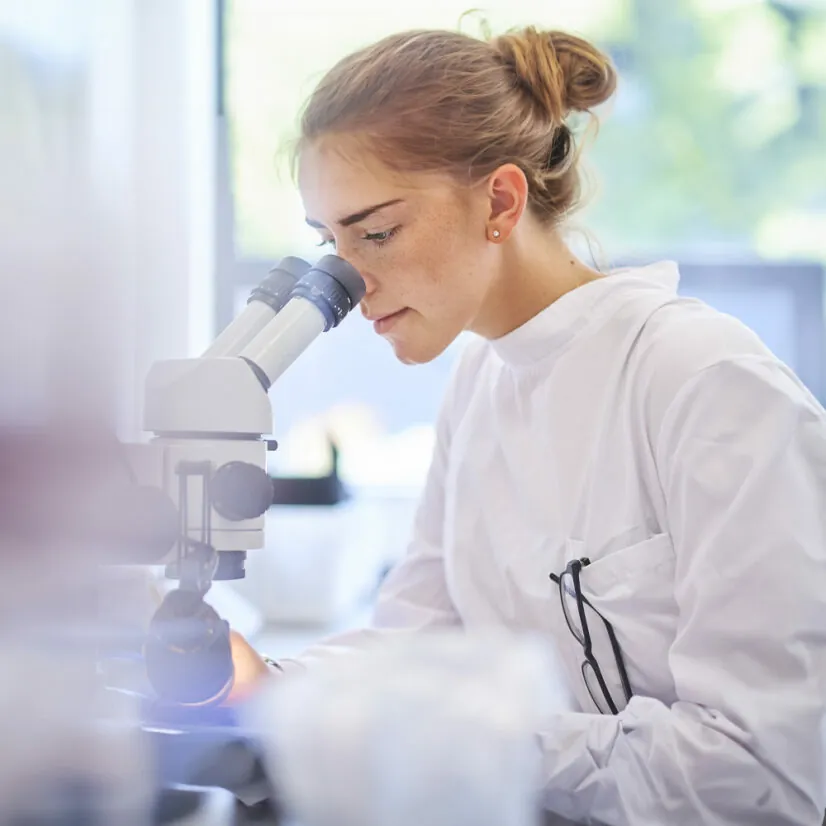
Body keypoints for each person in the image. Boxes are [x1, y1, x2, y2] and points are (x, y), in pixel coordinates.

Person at [227, 24, 826, 825]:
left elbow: (765, 773)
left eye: (375, 232)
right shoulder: (480, 381)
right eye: (329, 245)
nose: (350, 284)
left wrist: (468, 741)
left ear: (502, 201)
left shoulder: (704, 382)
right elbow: (422, 646)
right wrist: (264, 684)